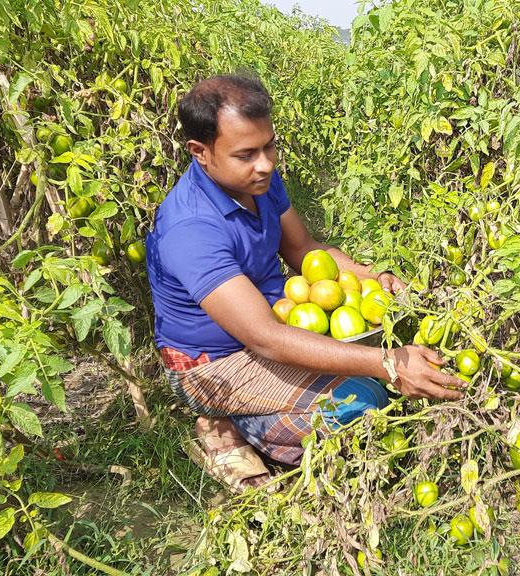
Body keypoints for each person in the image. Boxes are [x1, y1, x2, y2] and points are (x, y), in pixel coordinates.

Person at [145, 74, 463, 490]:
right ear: (200, 152)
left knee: (375, 387)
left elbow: (304, 251)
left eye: (269, 146)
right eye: (246, 154)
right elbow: (264, 338)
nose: (266, 164)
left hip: (272, 327)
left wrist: (372, 277)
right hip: (215, 363)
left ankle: (260, 413)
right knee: (362, 405)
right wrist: (389, 364)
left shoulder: (257, 182)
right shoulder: (190, 228)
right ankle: (227, 425)